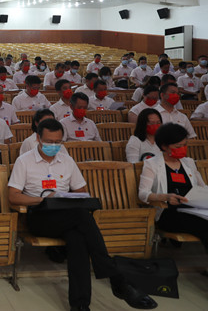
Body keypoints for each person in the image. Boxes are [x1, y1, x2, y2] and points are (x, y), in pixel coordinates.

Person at [8, 118, 157, 311]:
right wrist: (44, 199)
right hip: (40, 217)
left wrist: (64, 197)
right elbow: (13, 196)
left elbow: (81, 191)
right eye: (49, 142)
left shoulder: (67, 160)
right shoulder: (24, 161)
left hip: (67, 216)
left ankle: (80, 305)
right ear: (38, 138)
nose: (54, 146)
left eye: (58, 142)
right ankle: (117, 279)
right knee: (81, 217)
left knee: (78, 240)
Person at [139, 123, 208, 248]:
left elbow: (203, 188)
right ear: (164, 146)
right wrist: (165, 197)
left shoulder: (189, 162)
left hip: (193, 209)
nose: (183, 149)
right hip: (168, 213)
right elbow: (143, 194)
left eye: (185, 145)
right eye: (178, 146)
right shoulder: (152, 164)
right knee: (204, 226)